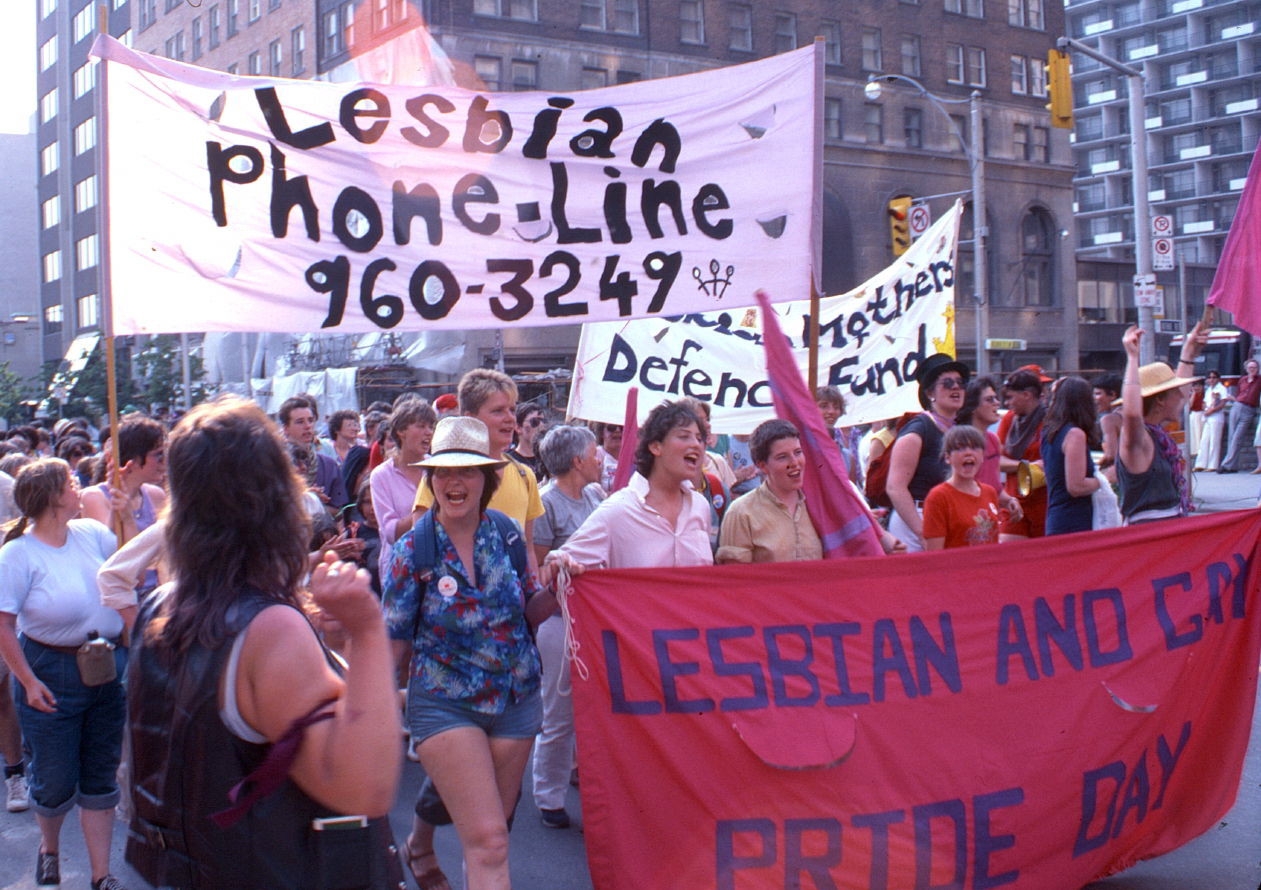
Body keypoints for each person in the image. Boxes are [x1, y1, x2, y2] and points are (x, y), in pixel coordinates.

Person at [122, 397, 400, 889]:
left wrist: (335, 645)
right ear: (277, 500)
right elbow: (365, 787)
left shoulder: (160, 605)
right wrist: (369, 630)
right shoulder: (268, 627)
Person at [384, 416, 553, 890]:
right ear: (430, 479)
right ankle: (421, 847)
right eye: (443, 472)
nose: (454, 482)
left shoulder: (507, 535)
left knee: (494, 834)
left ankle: (421, 847)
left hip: (516, 701)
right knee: (489, 842)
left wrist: (560, 588)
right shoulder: (411, 552)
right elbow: (393, 641)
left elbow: (531, 610)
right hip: (444, 704)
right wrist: (368, 709)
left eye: (467, 471)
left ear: (487, 478)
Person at [0, 459, 127, 890]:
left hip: (104, 665)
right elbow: (2, 624)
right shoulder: (17, 554)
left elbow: (131, 555)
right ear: (54, 497)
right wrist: (28, 681)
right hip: (49, 669)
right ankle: (49, 847)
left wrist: (125, 509)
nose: (79, 488)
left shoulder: (91, 533)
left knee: (100, 773)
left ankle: (100, 875)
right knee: (54, 781)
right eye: (71, 483)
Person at [530, 425, 605, 831]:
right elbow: (538, 569)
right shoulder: (546, 504)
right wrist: (562, 569)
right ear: (578, 461)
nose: (600, 460)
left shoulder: (596, 497)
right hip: (561, 623)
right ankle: (549, 796)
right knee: (558, 712)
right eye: (595, 453)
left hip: (594, 621)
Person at [549, 400, 712, 571]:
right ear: (656, 447)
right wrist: (562, 565)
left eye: (699, 439)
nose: (696, 444)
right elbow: (563, 562)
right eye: (684, 436)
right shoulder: (619, 509)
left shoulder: (700, 507)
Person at [1117, 323, 1207, 524]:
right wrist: (1132, 358)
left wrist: (1188, 353)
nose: (1184, 397)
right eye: (1175, 392)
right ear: (1159, 400)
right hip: (1147, 536)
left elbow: (1180, 394)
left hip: (1168, 530)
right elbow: (1132, 414)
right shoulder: (1139, 438)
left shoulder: (1157, 433)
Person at [885, 353, 970, 551]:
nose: (956, 387)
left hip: (946, 519)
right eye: (947, 383)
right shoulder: (918, 429)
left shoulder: (958, 430)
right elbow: (895, 488)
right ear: (930, 392)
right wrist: (922, 531)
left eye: (960, 382)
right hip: (915, 522)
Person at [716, 419, 822, 564]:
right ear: (762, 466)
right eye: (782, 457)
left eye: (798, 453)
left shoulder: (819, 506)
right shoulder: (741, 512)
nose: (794, 463)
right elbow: (735, 578)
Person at [370, 397, 437, 582]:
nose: (428, 433)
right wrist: (427, 511)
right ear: (400, 431)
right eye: (421, 426)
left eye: (431, 427)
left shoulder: (439, 470)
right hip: (399, 571)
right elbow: (391, 532)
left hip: (438, 566)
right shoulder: (381, 476)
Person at [80, 414, 168, 550]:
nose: (164, 462)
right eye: (158, 455)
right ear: (132, 459)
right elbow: (109, 551)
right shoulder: (94, 497)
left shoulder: (156, 495)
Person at [922, 425, 1002, 550]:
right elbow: (934, 554)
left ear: (982, 456)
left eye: (975, 448)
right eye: (960, 448)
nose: (968, 453)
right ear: (948, 458)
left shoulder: (989, 492)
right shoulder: (938, 497)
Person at [1041, 376, 1101, 535]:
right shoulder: (1075, 434)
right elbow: (1076, 486)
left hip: (1057, 517)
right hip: (1075, 521)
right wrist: (1106, 478)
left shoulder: (1050, 432)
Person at [997, 366, 1049, 542]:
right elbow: (996, 460)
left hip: (1044, 503)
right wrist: (1026, 467)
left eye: (1010, 397)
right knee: (1008, 557)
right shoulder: (1009, 420)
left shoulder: (1051, 420)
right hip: (1014, 500)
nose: (1006, 403)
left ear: (1026, 395)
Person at [279, 397, 348, 512]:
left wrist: (314, 503)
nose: (307, 426)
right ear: (286, 428)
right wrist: (304, 499)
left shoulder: (329, 465)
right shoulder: (274, 464)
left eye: (310, 420)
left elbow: (339, 509)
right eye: (300, 422)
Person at [1221, 358, 1261, 473]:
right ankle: (1232, 466)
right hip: (1237, 406)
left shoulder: (1259, 380)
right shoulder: (1242, 380)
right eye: (1250, 367)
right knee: (1232, 436)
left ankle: (1226, 465)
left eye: (1254, 367)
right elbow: (1239, 394)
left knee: (1237, 437)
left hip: (1249, 409)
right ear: (1246, 369)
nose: (1252, 369)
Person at [816, 386, 860, 483]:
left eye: (836, 407)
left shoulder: (847, 457)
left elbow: (850, 492)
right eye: (824, 406)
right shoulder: (800, 449)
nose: (831, 411)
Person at [1193, 370, 1230, 472]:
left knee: (1214, 441)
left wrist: (1212, 410)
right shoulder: (1209, 389)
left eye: (1214, 377)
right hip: (1207, 416)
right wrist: (1205, 410)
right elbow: (1204, 402)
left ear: (1218, 379)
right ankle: (1201, 464)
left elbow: (1222, 403)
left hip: (1216, 417)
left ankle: (1212, 465)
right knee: (1204, 440)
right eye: (1209, 378)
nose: (1211, 379)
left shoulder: (1221, 389)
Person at [1092, 374, 1123, 483]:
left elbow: (1111, 455)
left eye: (1098, 394)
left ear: (1113, 395)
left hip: (1120, 475)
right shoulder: (1133, 414)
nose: (1094, 399)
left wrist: (1095, 464)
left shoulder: (1108, 419)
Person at [506, 403, 547, 480]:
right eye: (535, 421)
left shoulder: (548, 457)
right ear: (518, 427)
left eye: (544, 421)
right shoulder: (509, 461)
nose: (542, 425)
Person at [593, 422, 623, 491]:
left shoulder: (632, 457)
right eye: (612, 427)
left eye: (622, 427)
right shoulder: (595, 455)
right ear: (602, 433)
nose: (618, 430)